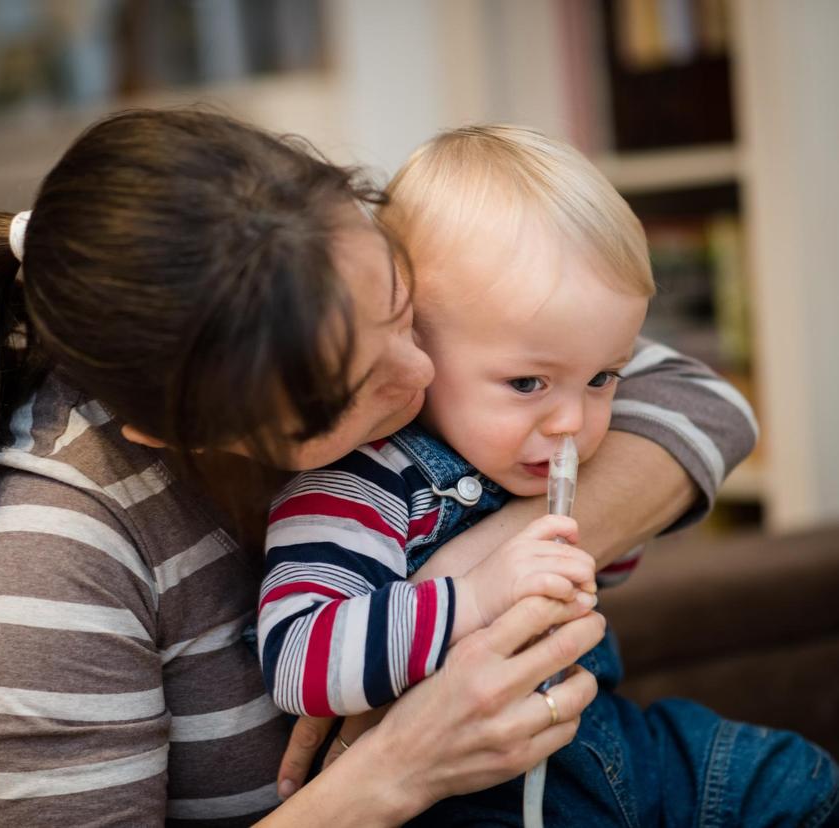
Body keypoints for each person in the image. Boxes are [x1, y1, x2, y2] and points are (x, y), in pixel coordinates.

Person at [0, 109, 794, 827]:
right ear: (172, 432)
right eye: (347, 396)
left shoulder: (334, 262)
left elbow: (704, 404)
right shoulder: (53, 552)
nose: (419, 377)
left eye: (402, 309)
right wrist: (392, 773)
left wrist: (484, 567)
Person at [259, 125, 839, 826]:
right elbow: (297, 661)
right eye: (529, 382)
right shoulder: (357, 486)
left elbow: (620, 553)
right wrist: (477, 593)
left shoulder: (520, 455)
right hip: (471, 798)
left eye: (602, 378)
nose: (574, 422)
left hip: (611, 746)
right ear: (413, 340)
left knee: (797, 781)